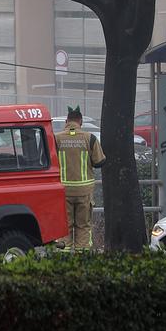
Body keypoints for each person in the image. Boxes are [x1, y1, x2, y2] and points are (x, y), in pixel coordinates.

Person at [55, 107, 106, 250]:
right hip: (84, 191)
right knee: (83, 226)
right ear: (81, 122)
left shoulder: (56, 139)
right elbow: (100, 162)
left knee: (64, 225)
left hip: (63, 191)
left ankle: (64, 256)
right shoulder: (90, 138)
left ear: (66, 121)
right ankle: (82, 256)